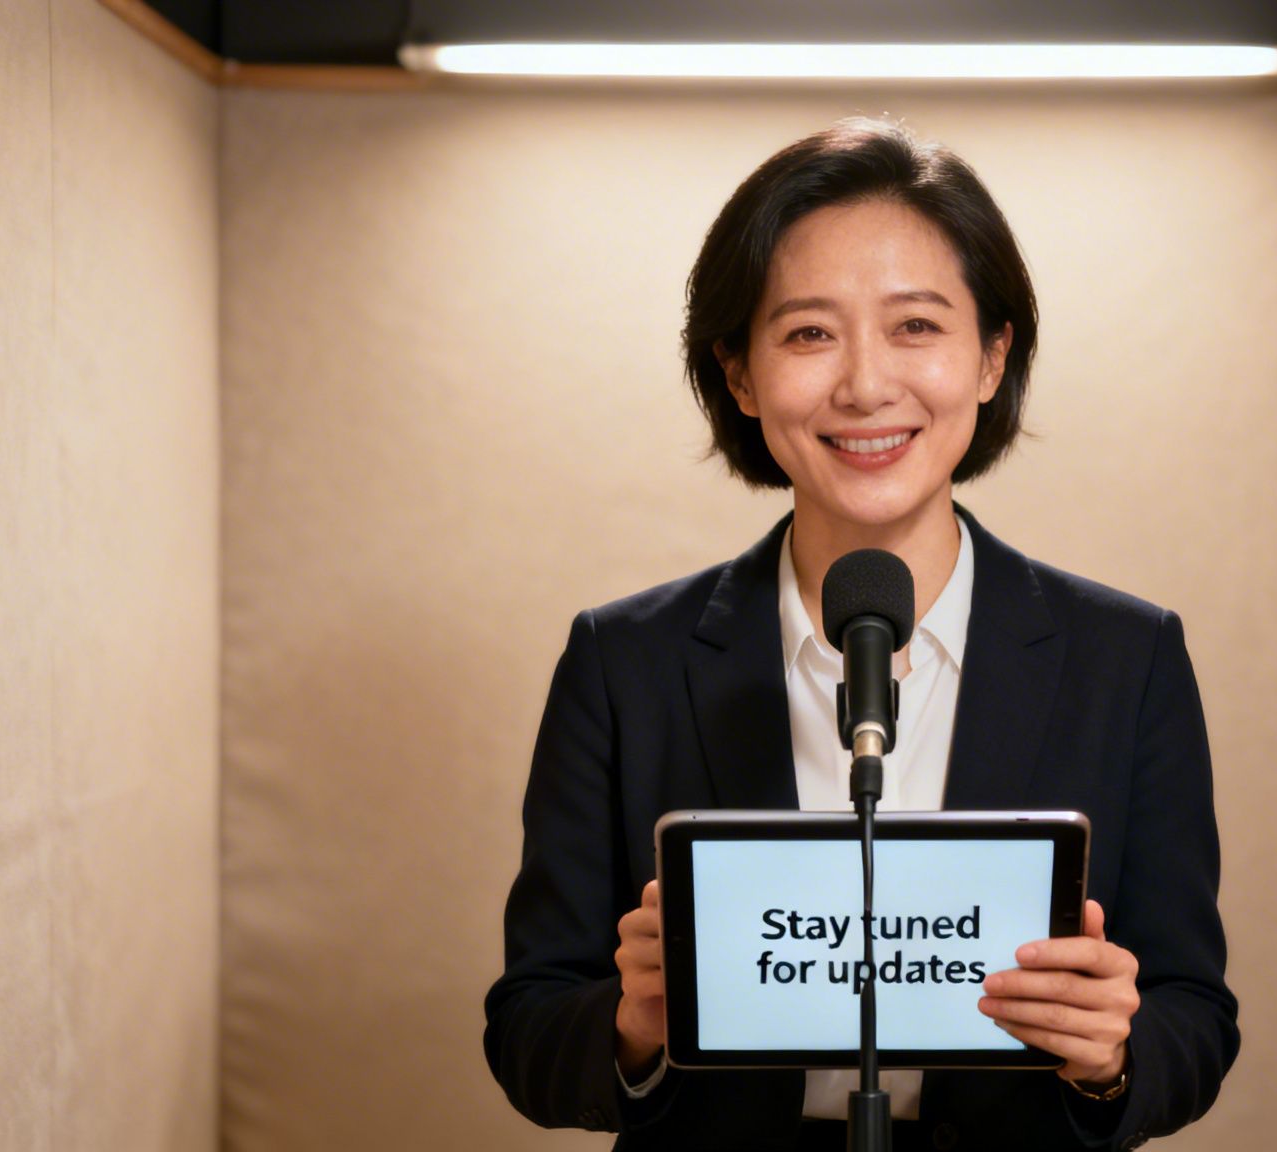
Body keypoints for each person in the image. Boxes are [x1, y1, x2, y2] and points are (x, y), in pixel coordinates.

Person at [485, 118, 1238, 1151]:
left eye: (916, 327)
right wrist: (631, 1024)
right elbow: (527, 1027)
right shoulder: (624, 663)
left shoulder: (1126, 657)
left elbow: (1195, 1017)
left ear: (990, 355)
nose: (865, 385)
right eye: (807, 333)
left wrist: (1110, 1052)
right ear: (740, 375)